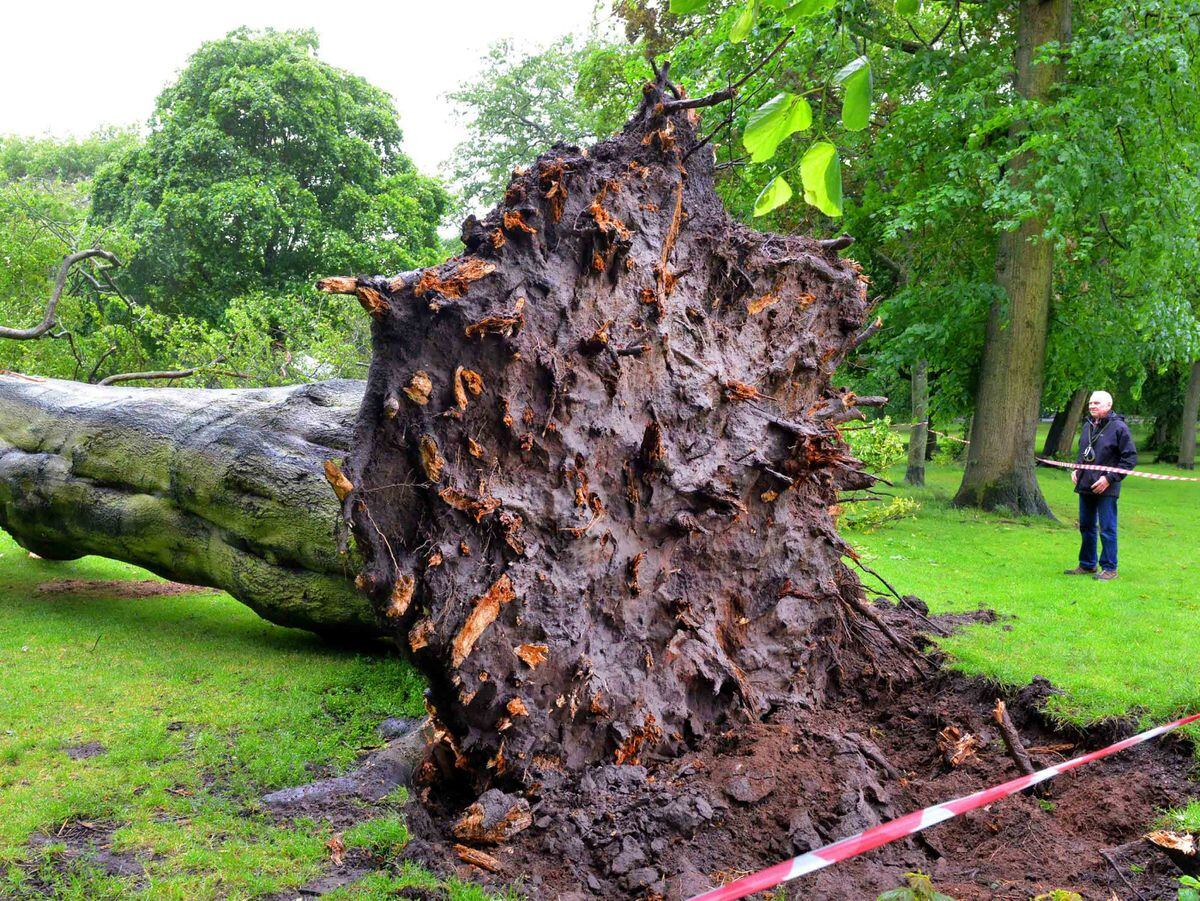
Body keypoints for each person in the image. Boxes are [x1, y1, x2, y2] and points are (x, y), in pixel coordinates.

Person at [1063, 390, 1137, 581]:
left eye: (1096, 403)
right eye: (1090, 404)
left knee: (1107, 528)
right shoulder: (1088, 426)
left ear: (1108, 405)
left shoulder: (1119, 428)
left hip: (1107, 487)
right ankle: (1087, 564)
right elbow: (1084, 453)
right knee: (1086, 526)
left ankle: (1110, 568)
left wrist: (1109, 479)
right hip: (1086, 485)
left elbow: (1130, 459)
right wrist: (1076, 470)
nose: (1092, 406)